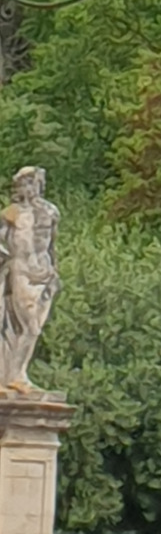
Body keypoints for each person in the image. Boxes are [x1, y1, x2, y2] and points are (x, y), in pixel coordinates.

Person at [0, 166, 61, 390]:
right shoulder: (10, 214)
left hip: (44, 272)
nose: (28, 188)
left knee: (35, 327)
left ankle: (17, 374)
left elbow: (52, 246)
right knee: (29, 326)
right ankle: (15, 374)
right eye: (24, 183)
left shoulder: (51, 212)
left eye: (32, 182)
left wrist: (55, 271)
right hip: (21, 270)